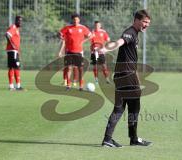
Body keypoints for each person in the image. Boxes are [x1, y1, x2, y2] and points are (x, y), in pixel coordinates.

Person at [101, 9, 151, 147]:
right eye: (144, 21)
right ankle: (133, 138)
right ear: (136, 20)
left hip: (121, 75)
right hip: (127, 75)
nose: (146, 24)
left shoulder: (135, 33)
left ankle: (107, 139)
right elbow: (119, 42)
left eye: (148, 22)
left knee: (119, 108)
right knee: (134, 107)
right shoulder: (130, 33)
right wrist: (105, 49)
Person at [58, 13, 92, 90]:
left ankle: (81, 86)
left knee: (80, 69)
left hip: (79, 51)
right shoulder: (68, 28)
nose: (75, 21)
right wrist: (60, 37)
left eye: (77, 19)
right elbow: (60, 33)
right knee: (69, 68)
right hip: (69, 51)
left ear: (79, 20)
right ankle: (68, 85)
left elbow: (90, 35)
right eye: (74, 19)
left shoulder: (83, 28)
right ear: (72, 20)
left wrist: (83, 41)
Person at [5, 15, 24, 91]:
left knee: (12, 67)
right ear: (16, 21)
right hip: (13, 51)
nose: (20, 22)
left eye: (21, 21)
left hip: (13, 51)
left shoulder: (17, 29)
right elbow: (7, 34)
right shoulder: (13, 27)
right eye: (19, 20)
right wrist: (12, 45)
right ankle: (17, 86)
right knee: (16, 66)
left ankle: (12, 86)